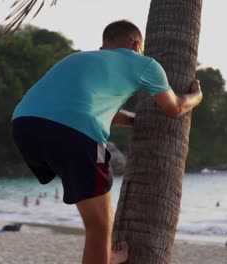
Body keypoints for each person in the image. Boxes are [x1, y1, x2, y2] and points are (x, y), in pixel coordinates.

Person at [11, 20, 202, 264]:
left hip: (24, 126)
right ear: (136, 44)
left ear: (105, 45)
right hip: (74, 134)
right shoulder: (145, 64)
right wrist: (195, 97)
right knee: (99, 226)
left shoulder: (77, 59)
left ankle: (103, 256)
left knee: (92, 214)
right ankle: (103, 256)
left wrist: (135, 120)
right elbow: (174, 108)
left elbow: (81, 107)